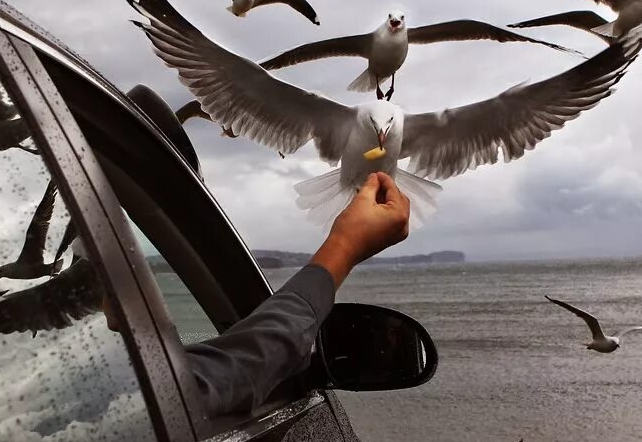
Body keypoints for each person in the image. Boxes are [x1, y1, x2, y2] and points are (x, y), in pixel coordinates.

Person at [104, 172, 411, 416]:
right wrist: (344, 246)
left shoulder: (90, 405)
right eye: (111, 279)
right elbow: (231, 374)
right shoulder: (131, 410)